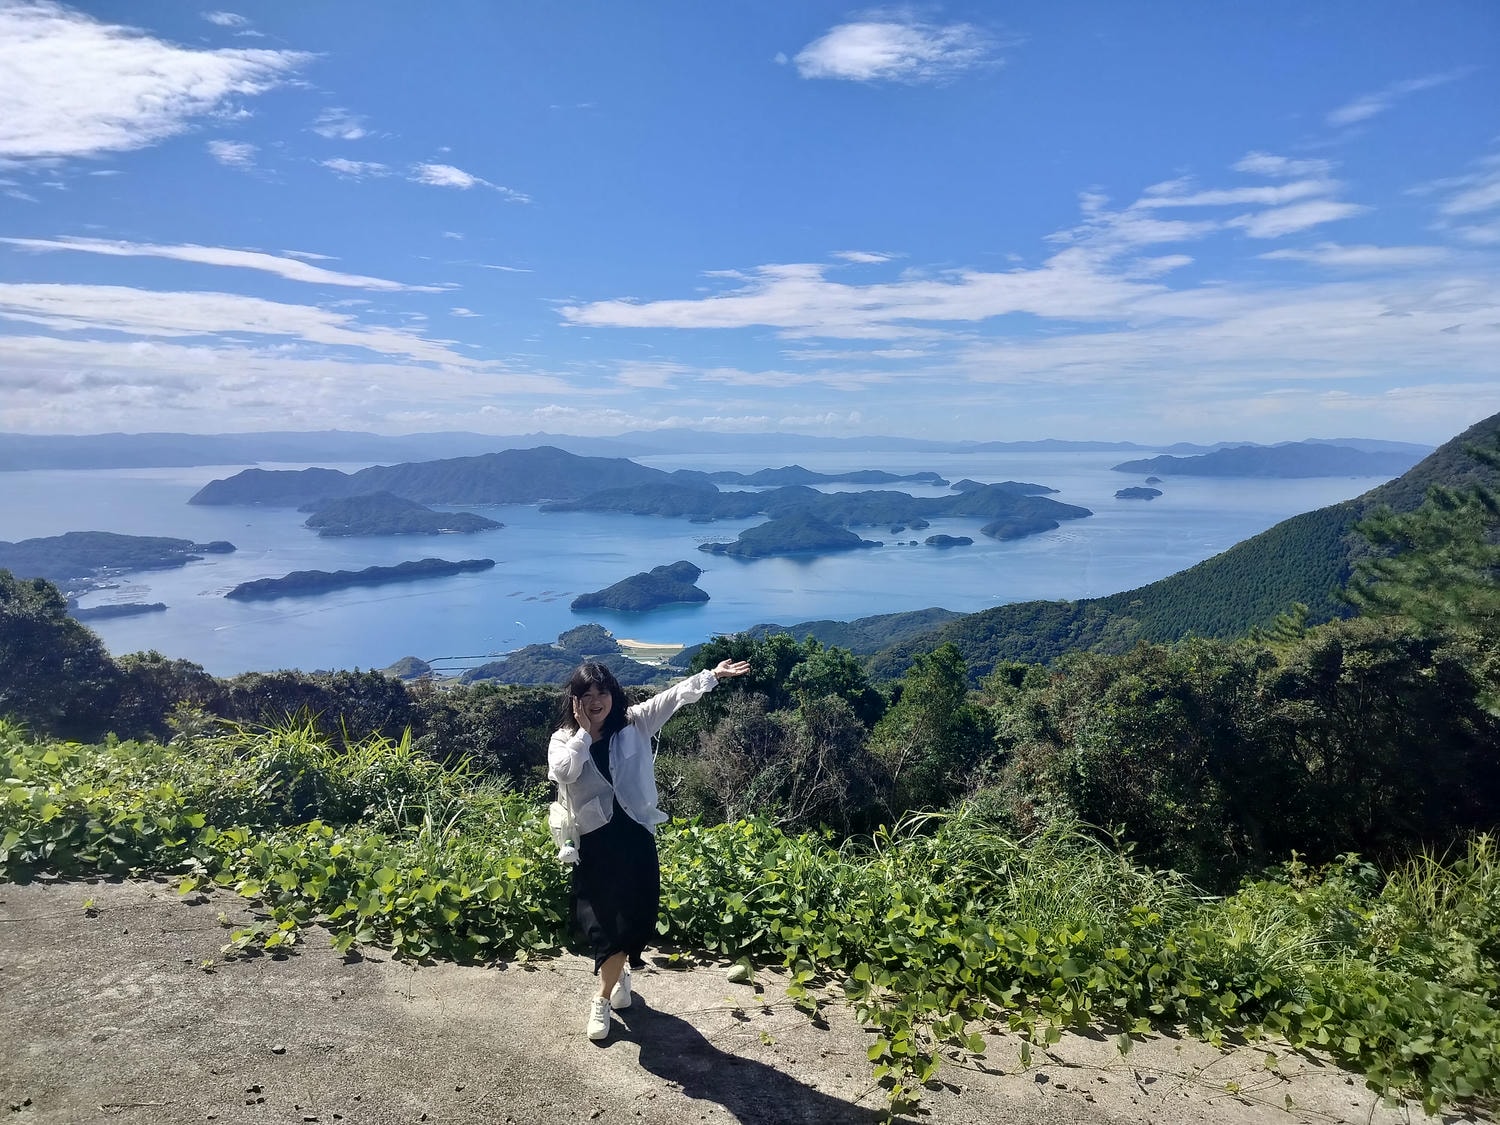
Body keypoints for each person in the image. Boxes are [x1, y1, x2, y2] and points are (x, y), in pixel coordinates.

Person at [548, 657, 750, 1041]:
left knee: (632, 919)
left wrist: (713, 676)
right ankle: (607, 993)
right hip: (594, 842)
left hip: (636, 838)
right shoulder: (563, 739)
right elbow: (564, 772)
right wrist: (585, 734)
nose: (596, 701)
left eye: (602, 692)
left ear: (613, 694)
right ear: (574, 700)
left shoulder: (635, 722)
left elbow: (674, 697)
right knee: (602, 924)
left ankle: (608, 988)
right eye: (586, 694)